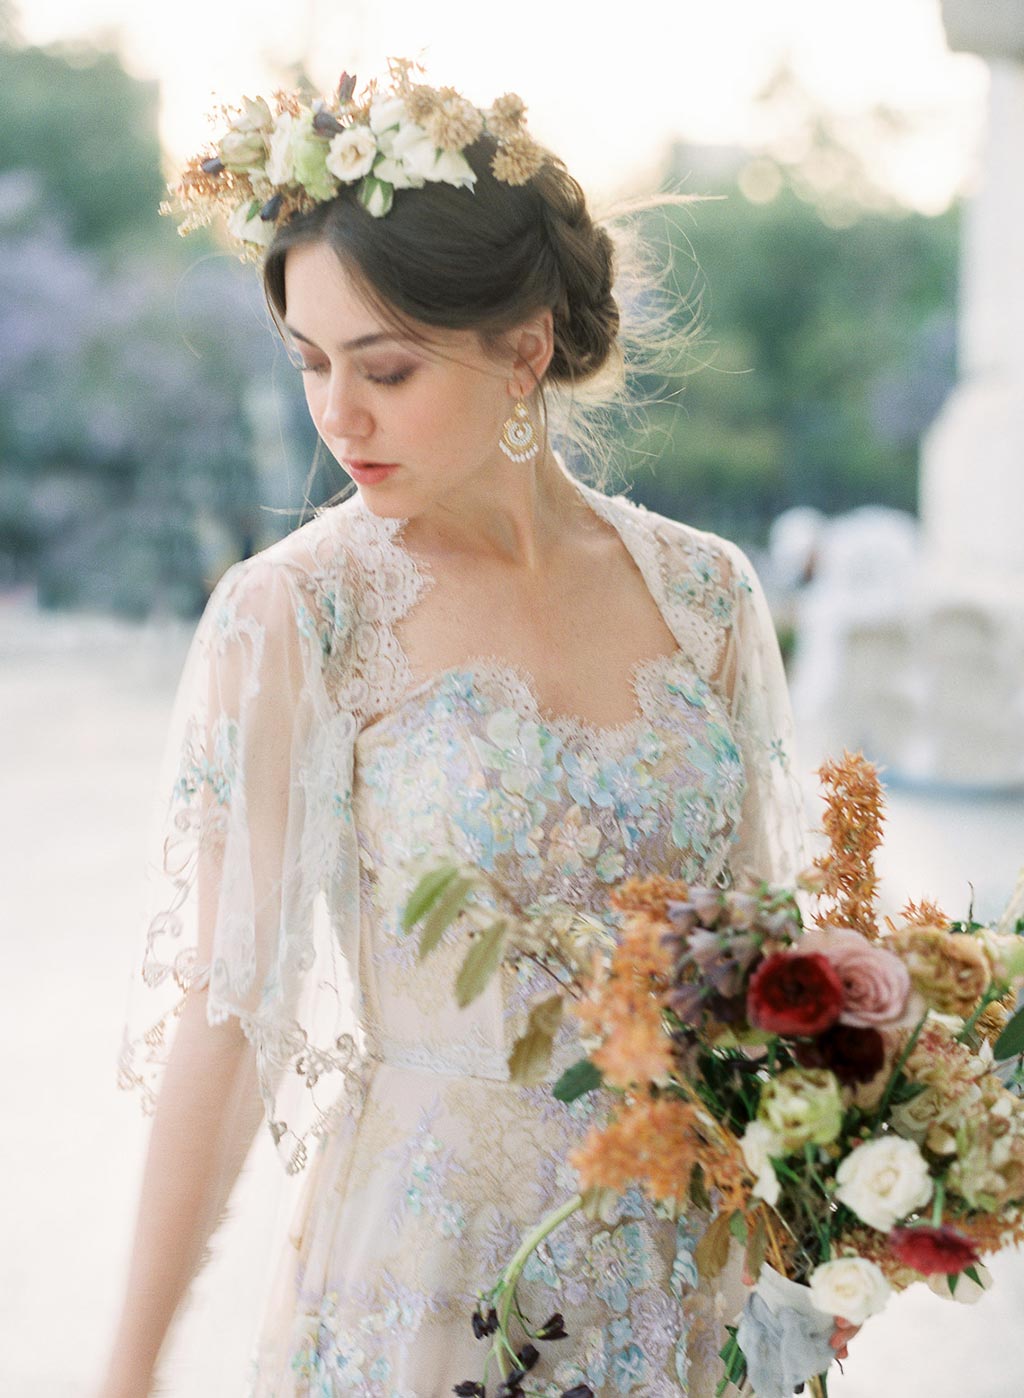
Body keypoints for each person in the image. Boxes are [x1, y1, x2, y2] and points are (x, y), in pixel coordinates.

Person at [98, 60, 844, 1398]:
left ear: (526, 347)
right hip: (426, 1282)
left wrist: (819, 1239)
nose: (339, 413)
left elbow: (770, 972)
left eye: (384, 367)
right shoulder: (297, 617)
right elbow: (226, 1019)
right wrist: (128, 1365)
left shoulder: (708, 597)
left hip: (683, 1274)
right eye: (313, 363)